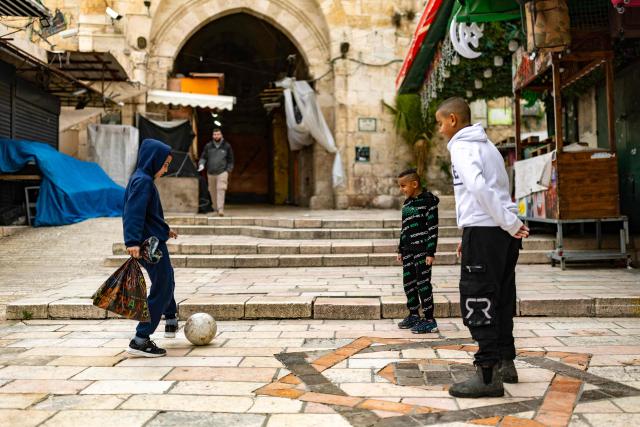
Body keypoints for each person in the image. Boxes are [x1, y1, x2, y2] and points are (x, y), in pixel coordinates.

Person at [435, 97, 529, 398]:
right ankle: (505, 361)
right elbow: (498, 189)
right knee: (501, 297)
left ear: (452, 120)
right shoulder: (487, 146)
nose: (439, 131)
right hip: (499, 233)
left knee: (478, 298)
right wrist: (508, 224)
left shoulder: (462, 147)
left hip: (489, 230)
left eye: (440, 123)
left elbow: (478, 189)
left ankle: (487, 375)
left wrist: (506, 223)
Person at [124, 138, 180, 357]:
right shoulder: (143, 181)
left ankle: (171, 318)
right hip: (149, 246)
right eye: (164, 164)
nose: (166, 169)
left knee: (165, 279)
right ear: (153, 160)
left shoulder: (143, 179)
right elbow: (133, 213)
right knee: (163, 284)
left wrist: (165, 230)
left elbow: (149, 215)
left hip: (153, 241)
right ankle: (141, 338)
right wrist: (132, 242)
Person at [396, 168, 440, 334]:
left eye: (403, 186)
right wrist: (400, 248)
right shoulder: (407, 204)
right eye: (400, 186)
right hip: (408, 250)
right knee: (409, 284)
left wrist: (430, 252)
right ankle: (414, 314)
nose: (402, 189)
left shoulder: (429, 202)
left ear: (414, 184)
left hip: (422, 251)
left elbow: (433, 228)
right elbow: (404, 227)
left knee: (423, 284)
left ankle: (429, 320)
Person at [198, 128, 234, 217]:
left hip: (222, 172)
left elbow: (231, 160)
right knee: (212, 191)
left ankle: (220, 209)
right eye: (214, 134)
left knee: (221, 189)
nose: (216, 136)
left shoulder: (227, 146)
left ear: (221, 135)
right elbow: (203, 157)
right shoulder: (208, 146)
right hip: (210, 172)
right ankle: (215, 208)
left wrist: (228, 170)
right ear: (212, 136)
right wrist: (201, 164)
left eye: (218, 134)